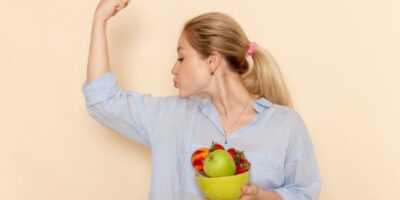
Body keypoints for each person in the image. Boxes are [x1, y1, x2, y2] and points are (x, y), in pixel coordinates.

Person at [82, 0, 321, 199]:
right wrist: (99, 20)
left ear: (212, 61)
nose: (173, 69)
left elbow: (305, 194)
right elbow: (102, 100)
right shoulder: (169, 117)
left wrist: (263, 196)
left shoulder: (286, 124)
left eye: (181, 57)